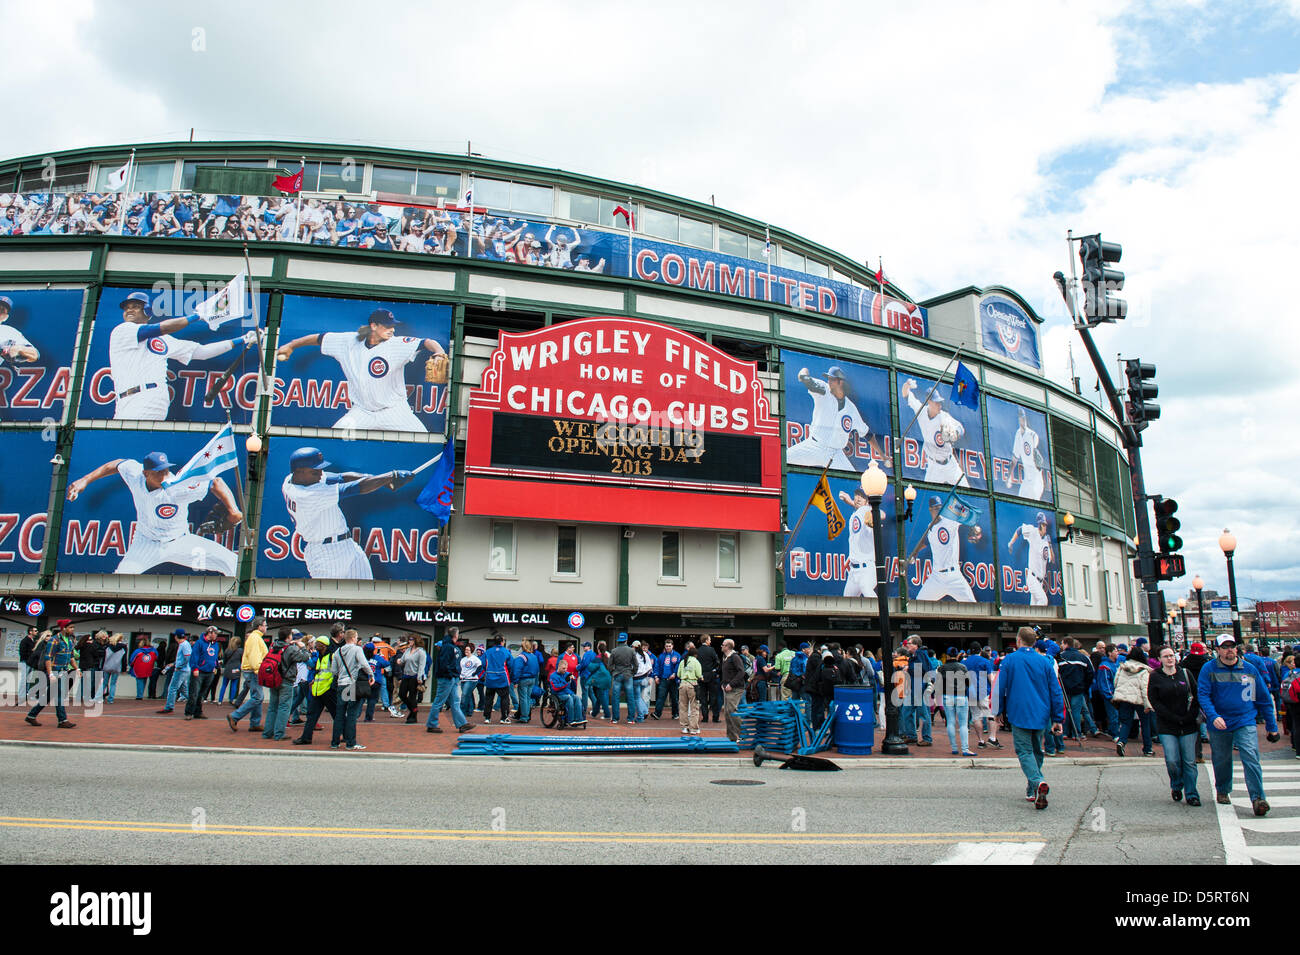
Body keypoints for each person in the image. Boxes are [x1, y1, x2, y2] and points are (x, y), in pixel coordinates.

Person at [65, 449, 240, 577]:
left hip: (179, 541)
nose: (164, 475)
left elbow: (216, 482)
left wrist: (234, 511)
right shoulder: (135, 474)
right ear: (146, 472)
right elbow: (115, 464)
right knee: (120, 581)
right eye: (159, 472)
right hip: (145, 543)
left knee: (232, 563)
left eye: (166, 469)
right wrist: (84, 480)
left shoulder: (179, 485)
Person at [274, 307, 447, 432]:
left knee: (423, 441)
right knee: (333, 439)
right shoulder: (349, 342)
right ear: (373, 326)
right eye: (387, 326)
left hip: (394, 411)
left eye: (393, 325)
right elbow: (319, 338)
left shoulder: (396, 344)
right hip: (361, 412)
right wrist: (291, 345)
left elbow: (426, 342)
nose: (392, 329)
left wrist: (439, 351)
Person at [108, 291, 257, 421]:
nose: (129, 310)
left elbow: (202, 352)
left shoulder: (163, 339)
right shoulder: (122, 330)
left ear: (147, 310)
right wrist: (197, 317)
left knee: (128, 438)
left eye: (135, 306)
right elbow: (163, 327)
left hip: (149, 396)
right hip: (123, 401)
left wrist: (242, 340)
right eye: (127, 308)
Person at [280, 447, 414, 580]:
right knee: (327, 600)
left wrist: (382, 481)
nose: (321, 474)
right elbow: (355, 488)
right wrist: (391, 476)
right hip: (324, 555)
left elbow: (341, 478)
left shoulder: (290, 480)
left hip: (348, 546)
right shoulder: (307, 495)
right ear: (299, 471)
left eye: (320, 469)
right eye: (316, 472)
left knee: (367, 596)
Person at [1198, 634, 1280, 816]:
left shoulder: (1249, 669)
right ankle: (1223, 789)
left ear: (1236, 648)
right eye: (1224, 646)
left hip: (1245, 719)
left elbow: (1264, 698)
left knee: (1250, 755)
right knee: (1222, 758)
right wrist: (1213, 716)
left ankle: (1258, 798)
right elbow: (1203, 695)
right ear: (1217, 650)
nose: (1229, 650)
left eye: (1232, 646)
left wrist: (1272, 726)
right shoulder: (1208, 669)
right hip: (1220, 721)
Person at [994, 626, 1063, 809]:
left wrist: (998, 711)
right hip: (1041, 712)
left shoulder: (1010, 660)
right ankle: (1033, 788)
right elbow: (1056, 691)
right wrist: (1057, 717)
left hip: (1019, 711)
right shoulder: (1045, 662)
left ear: (1018, 640)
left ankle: (1037, 781)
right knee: (1036, 750)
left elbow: (1000, 687)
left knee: (1024, 751)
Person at [786, 365, 882, 470]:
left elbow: (867, 434)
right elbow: (807, 380)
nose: (829, 382)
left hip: (835, 453)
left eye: (832, 379)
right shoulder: (824, 390)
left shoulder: (851, 409)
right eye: (828, 379)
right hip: (814, 445)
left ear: (840, 382)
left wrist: (883, 455)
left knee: (853, 481)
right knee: (782, 459)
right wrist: (804, 372)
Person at [1149, 646, 1203, 805]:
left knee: (1189, 761)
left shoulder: (1185, 674)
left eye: (1172, 655)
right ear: (1160, 659)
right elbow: (1154, 700)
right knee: (1172, 760)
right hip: (1167, 725)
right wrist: (1171, 717)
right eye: (1165, 656)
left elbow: (1196, 695)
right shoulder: (1155, 676)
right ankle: (1177, 784)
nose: (1169, 659)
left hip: (1188, 723)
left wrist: (1190, 715)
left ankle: (1192, 793)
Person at [908, 496, 979, 602]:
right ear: (930, 509)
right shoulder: (931, 527)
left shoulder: (950, 520)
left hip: (954, 576)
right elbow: (925, 541)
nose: (938, 509)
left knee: (973, 608)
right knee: (919, 604)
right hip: (937, 577)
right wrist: (915, 553)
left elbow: (966, 518)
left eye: (940, 507)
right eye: (935, 507)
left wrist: (974, 527)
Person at [900, 378, 966, 485]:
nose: (939, 405)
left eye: (940, 402)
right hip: (933, 466)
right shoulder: (921, 411)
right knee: (928, 495)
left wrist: (956, 433)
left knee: (966, 490)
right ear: (929, 402)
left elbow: (961, 428)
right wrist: (907, 384)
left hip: (950, 464)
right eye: (936, 402)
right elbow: (906, 395)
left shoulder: (944, 417)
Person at [329, 629, 375, 750]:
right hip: (352, 684)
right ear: (354, 638)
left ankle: (335, 742)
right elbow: (365, 664)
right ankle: (350, 743)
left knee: (339, 714)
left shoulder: (338, 651)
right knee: (352, 713)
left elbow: (333, 670)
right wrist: (371, 675)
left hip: (341, 684)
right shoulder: (357, 649)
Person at [25, 623, 78, 728]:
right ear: (64, 628)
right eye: (70, 627)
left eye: (73, 628)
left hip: (63, 671)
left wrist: (77, 668)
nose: (72, 629)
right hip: (55, 671)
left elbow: (71, 657)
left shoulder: (70, 641)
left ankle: (31, 715)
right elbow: (48, 658)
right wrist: (50, 673)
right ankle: (62, 720)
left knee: (49, 696)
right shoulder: (54, 640)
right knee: (59, 695)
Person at [261, 629, 310, 741]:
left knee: (272, 707)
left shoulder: (273, 646)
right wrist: (302, 647)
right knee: (284, 707)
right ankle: (279, 733)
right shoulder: (290, 648)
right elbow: (305, 657)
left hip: (273, 678)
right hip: (286, 680)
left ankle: (267, 732)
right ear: (288, 637)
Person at [294, 636, 341, 745]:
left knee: (336, 714)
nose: (316, 645)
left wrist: (332, 687)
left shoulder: (332, 656)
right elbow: (318, 670)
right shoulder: (320, 656)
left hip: (328, 690)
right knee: (311, 715)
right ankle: (306, 737)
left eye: (318, 643)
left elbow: (337, 672)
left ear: (324, 645)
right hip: (318, 690)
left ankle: (346, 736)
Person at [427, 627, 473, 734]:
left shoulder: (449, 646)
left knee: (455, 701)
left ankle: (462, 724)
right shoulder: (448, 647)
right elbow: (445, 663)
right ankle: (431, 724)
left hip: (451, 677)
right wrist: (451, 674)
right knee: (439, 701)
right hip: (447, 678)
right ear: (455, 635)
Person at [227, 618, 268, 733]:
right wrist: (258, 670)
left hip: (251, 670)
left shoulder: (255, 638)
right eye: (265, 625)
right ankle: (235, 716)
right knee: (258, 697)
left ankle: (255, 723)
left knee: (257, 696)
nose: (266, 627)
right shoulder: (255, 638)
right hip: (253, 671)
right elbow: (255, 656)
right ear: (259, 626)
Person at [1112, 646, 1154, 757]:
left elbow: (1115, 682)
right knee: (1145, 724)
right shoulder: (1144, 670)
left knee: (1126, 722)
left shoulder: (1122, 667)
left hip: (1124, 698)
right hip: (1139, 699)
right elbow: (1145, 688)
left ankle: (1122, 741)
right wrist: (1147, 704)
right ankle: (1147, 748)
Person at [1007, 513, 1055, 606]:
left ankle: (1032, 621)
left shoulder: (1045, 542)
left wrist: (1050, 545)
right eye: (1043, 524)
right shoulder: (1033, 532)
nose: (1045, 527)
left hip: (1040, 581)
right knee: (1043, 601)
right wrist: (1011, 542)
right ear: (1040, 524)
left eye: (1045, 525)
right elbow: (1020, 529)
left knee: (1034, 607)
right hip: (1032, 578)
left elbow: (1052, 560)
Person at [1056, 638, 1098, 739]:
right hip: (1078, 689)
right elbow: (1091, 673)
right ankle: (1077, 734)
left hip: (1064, 689)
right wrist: (1084, 686)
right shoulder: (1083, 657)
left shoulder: (1060, 657)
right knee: (1076, 712)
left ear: (1066, 644)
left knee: (1065, 711)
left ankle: (1065, 733)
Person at [899, 635, 934, 746]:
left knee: (923, 714)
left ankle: (927, 738)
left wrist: (909, 668)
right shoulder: (915, 655)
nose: (907, 645)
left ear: (916, 645)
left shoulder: (920, 654)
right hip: (914, 688)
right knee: (907, 712)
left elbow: (924, 669)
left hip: (920, 688)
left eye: (909, 643)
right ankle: (912, 736)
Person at [937, 652, 975, 756]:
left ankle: (954, 748)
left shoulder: (942, 668)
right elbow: (969, 682)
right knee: (963, 724)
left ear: (948, 656)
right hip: (961, 695)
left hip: (947, 695)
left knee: (950, 722)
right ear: (957, 655)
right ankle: (965, 749)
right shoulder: (962, 667)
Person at [1007, 406, 1045, 500]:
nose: (1022, 420)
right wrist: (1008, 477)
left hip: (1036, 478)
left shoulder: (1032, 434)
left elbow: (1036, 453)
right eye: (1020, 418)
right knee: (1021, 502)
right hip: (1027, 479)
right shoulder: (1018, 434)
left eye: (1023, 418)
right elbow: (1014, 459)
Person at [185, 626, 222, 720]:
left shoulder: (215, 644)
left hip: (210, 672)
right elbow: (194, 656)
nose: (216, 635)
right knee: (194, 693)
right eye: (215, 633)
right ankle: (189, 712)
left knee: (201, 694)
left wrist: (215, 666)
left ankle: (198, 712)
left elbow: (214, 657)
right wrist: (195, 668)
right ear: (210, 633)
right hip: (199, 671)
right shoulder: (199, 643)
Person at [395, 634, 428, 725]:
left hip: (414, 676)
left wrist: (419, 677)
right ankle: (414, 710)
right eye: (409, 639)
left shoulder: (421, 652)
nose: (410, 641)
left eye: (411, 640)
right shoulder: (408, 650)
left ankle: (413, 715)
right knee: (402, 694)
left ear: (416, 640)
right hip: (406, 675)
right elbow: (402, 660)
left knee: (412, 696)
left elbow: (422, 666)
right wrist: (399, 661)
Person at [720, 638, 748, 743]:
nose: (721, 646)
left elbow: (741, 672)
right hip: (728, 688)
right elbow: (726, 673)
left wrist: (731, 684)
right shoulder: (725, 658)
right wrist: (723, 684)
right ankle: (731, 737)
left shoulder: (735, 657)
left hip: (736, 689)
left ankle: (743, 734)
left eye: (723, 645)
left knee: (732, 710)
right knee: (727, 712)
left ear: (727, 646)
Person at [481, 635, 514, 724]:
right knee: (504, 699)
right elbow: (511, 665)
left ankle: (487, 718)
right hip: (502, 678)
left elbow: (483, 664)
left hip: (490, 678)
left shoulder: (488, 652)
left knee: (488, 699)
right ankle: (504, 718)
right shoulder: (506, 652)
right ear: (502, 642)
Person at [159, 630, 193, 714]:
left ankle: (169, 707)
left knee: (172, 688)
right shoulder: (185, 644)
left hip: (181, 670)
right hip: (184, 670)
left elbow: (187, 658)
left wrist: (179, 666)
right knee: (184, 689)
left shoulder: (184, 645)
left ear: (176, 636)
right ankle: (195, 703)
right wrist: (174, 664)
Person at [608, 634, 638, 724]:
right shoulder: (631, 650)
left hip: (617, 674)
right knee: (630, 697)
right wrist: (633, 672)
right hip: (628, 674)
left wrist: (613, 672)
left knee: (615, 697)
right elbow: (636, 664)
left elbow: (609, 665)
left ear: (618, 640)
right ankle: (630, 719)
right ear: (626, 640)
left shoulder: (614, 651)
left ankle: (615, 718)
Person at [547, 658, 585, 728]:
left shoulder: (567, 674)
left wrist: (573, 681)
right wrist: (566, 682)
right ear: (559, 667)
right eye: (563, 668)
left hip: (568, 692)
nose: (565, 670)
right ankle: (570, 720)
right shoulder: (553, 676)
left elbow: (573, 687)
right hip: (558, 694)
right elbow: (555, 688)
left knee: (577, 698)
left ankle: (579, 719)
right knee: (569, 698)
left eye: (566, 668)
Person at [677, 641, 703, 735]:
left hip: (682, 684)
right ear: (695, 655)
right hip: (692, 684)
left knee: (683, 707)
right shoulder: (696, 662)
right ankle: (693, 728)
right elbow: (699, 674)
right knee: (694, 707)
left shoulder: (682, 661)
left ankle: (684, 727)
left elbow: (678, 674)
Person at [653, 639, 682, 719]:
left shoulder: (677, 655)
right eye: (666, 646)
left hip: (673, 680)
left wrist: (675, 674)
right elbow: (657, 667)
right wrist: (656, 676)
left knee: (674, 698)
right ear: (664, 646)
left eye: (669, 646)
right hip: (663, 679)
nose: (668, 647)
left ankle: (675, 714)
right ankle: (657, 714)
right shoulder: (661, 656)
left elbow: (679, 666)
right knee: (661, 697)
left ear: (672, 646)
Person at [697, 635, 722, 723]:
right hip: (711, 676)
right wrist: (715, 670)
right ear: (706, 640)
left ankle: (705, 717)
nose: (710, 641)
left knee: (703, 698)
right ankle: (715, 717)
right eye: (709, 640)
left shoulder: (698, 651)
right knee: (713, 698)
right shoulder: (711, 650)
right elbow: (717, 662)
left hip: (701, 676)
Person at [632, 640, 655, 722]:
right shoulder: (645, 654)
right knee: (640, 697)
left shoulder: (633, 654)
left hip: (636, 678)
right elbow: (650, 668)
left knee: (637, 698)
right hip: (644, 678)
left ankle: (641, 716)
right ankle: (645, 710)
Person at [101, 634, 126, 704]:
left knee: (104, 683)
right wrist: (124, 669)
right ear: (120, 639)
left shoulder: (107, 646)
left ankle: (99, 698)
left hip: (107, 666)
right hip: (116, 667)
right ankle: (110, 699)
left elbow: (103, 657)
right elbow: (124, 659)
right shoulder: (123, 647)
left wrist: (102, 666)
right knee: (113, 684)